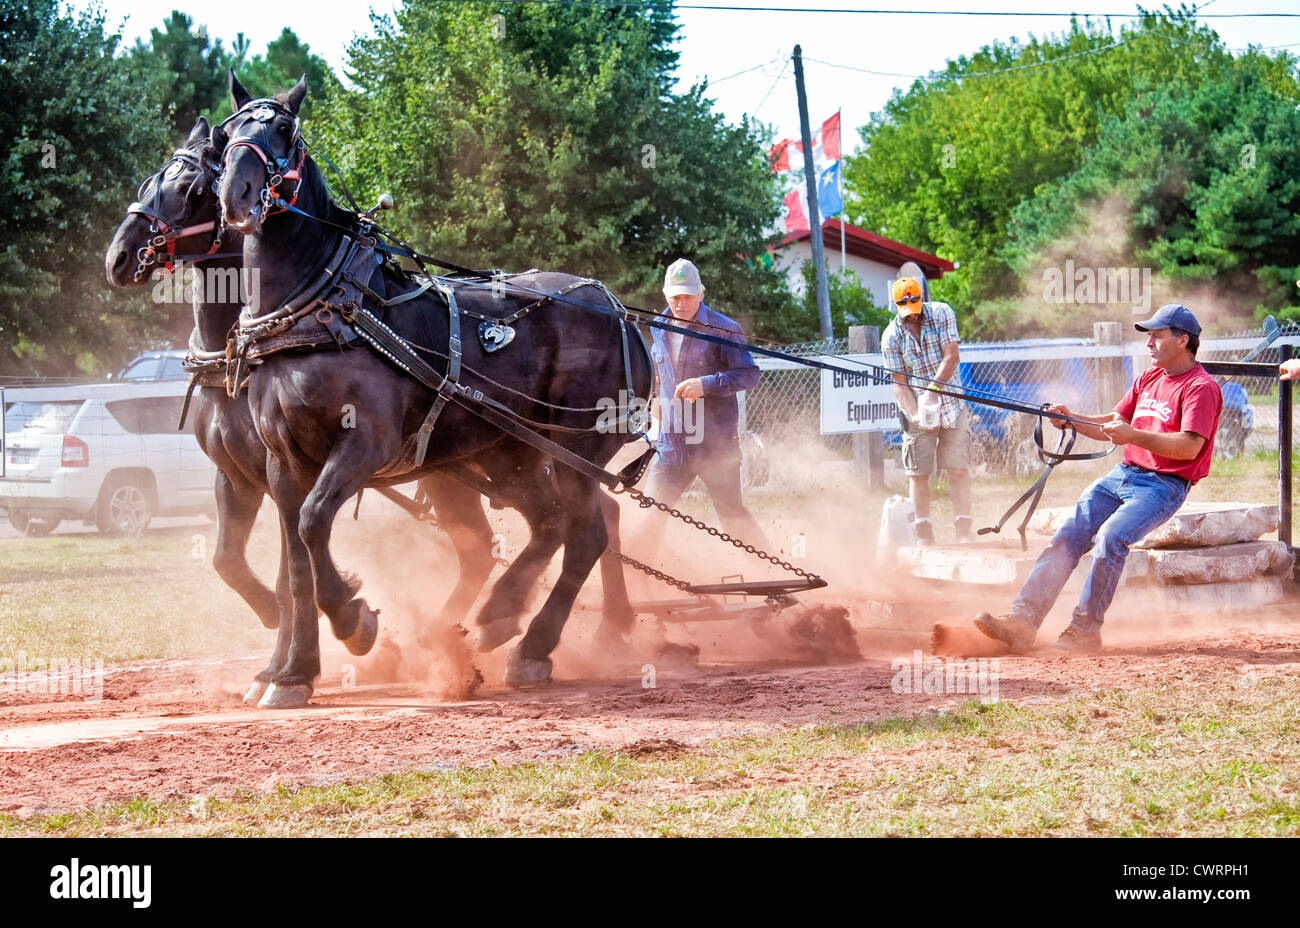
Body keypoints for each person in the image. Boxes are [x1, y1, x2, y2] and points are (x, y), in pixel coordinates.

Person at [975, 303, 1222, 654]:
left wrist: (1132, 436)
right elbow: (1112, 423)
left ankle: (1085, 631)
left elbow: (1189, 448)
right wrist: (1072, 419)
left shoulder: (1200, 387)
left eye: (1156, 336)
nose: (1148, 344)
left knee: (1111, 537)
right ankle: (1022, 622)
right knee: (1070, 532)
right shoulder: (1150, 377)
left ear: (1182, 340)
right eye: (1148, 337)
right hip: (1123, 474)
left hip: (1164, 485)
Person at [639, 258, 766, 551]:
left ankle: (771, 576)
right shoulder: (658, 326)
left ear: (701, 293)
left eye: (687, 296)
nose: (681, 304)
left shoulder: (725, 328)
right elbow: (662, 374)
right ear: (665, 295)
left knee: (732, 516)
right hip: (672, 442)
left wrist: (705, 384)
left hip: (716, 443)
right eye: (675, 297)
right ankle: (637, 585)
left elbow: (749, 375)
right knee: (649, 514)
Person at [882, 276, 972, 545]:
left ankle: (964, 530)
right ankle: (923, 534)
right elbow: (899, 383)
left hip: (952, 405)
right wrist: (915, 413)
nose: (913, 316)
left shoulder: (942, 313)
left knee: (958, 469)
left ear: (922, 299)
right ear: (897, 305)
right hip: (917, 409)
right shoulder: (891, 337)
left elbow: (951, 356)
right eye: (906, 311)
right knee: (918, 472)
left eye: (916, 308)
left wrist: (932, 392)